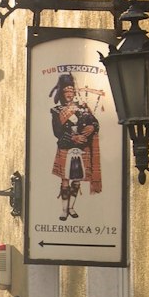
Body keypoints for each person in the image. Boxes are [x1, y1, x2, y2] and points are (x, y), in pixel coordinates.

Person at [50, 73, 101, 220]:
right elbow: (57, 132)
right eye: (66, 91)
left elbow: (96, 124)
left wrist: (92, 128)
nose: (69, 94)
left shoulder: (83, 108)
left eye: (71, 91)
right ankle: (64, 210)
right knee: (65, 179)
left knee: (77, 180)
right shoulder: (56, 111)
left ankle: (72, 207)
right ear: (62, 93)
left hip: (81, 149)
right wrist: (73, 137)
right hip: (66, 147)